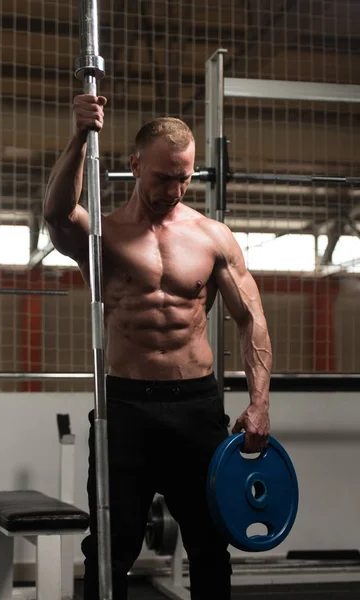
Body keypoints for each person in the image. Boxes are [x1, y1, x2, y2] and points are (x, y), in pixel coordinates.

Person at [43, 94, 272, 600]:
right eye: (163, 176)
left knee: (212, 545)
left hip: (197, 408)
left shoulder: (212, 237)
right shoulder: (103, 234)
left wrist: (258, 404)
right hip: (124, 408)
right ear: (134, 165)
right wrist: (80, 135)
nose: (175, 188)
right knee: (109, 550)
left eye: (184, 177)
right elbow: (57, 213)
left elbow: (250, 319)